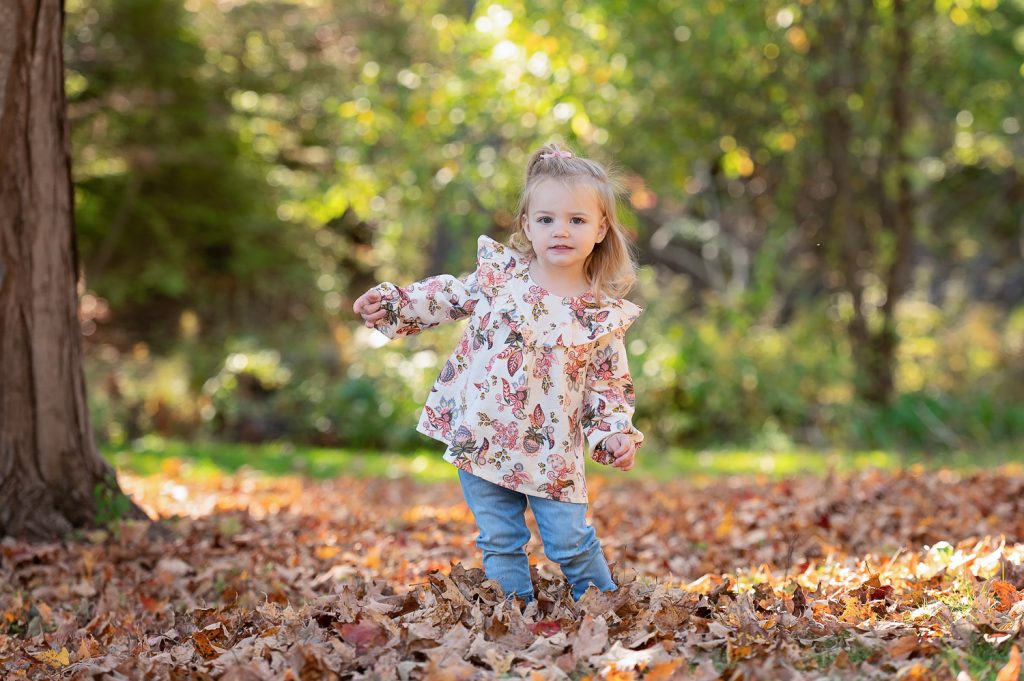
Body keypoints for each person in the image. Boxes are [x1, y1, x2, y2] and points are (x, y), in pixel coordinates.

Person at [352, 142, 644, 606]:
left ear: (601, 228)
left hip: (551, 449)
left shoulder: (598, 316)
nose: (560, 231)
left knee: (567, 539)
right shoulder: (501, 279)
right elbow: (446, 296)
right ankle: (514, 617)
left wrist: (612, 433)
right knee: (500, 539)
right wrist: (393, 304)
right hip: (483, 434)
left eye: (577, 220)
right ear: (528, 225)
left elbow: (606, 386)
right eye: (546, 219)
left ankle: (603, 607)